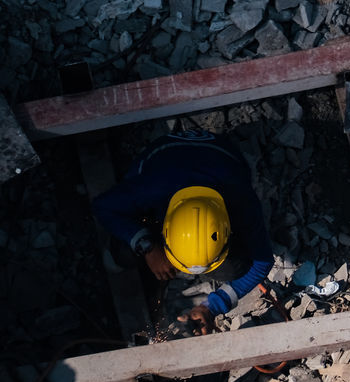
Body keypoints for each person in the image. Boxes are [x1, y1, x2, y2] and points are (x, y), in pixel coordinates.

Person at [92, 129, 274, 334]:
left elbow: (263, 262)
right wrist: (147, 246)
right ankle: (128, 253)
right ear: (164, 228)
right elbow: (102, 206)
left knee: (232, 269)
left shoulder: (241, 200)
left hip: (220, 162)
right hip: (165, 162)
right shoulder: (151, 188)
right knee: (124, 252)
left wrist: (212, 306)